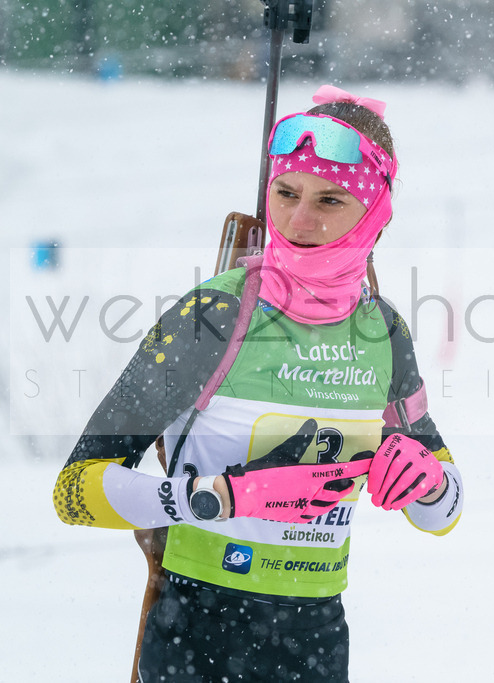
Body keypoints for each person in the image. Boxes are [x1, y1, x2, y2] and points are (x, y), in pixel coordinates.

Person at [52, 85, 464, 682]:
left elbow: (444, 511)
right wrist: (214, 500)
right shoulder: (214, 316)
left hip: (316, 641)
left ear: (374, 213)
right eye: (287, 193)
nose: (299, 220)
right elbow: (73, 490)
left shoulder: (384, 331)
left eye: (330, 200)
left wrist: (426, 483)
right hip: (198, 630)